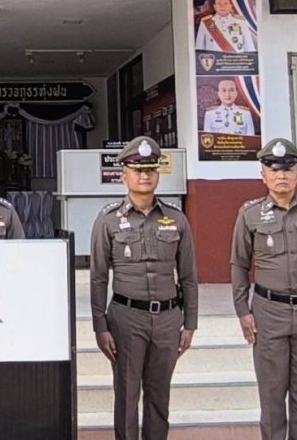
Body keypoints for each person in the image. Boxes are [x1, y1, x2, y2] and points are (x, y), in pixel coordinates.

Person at [229, 138, 297, 440]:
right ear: (263, 175)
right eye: (274, 169)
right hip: (269, 312)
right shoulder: (250, 214)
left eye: (288, 169)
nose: (281, 175)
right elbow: (239, 264)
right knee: (272, 398)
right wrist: (242, 310)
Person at [90, 136, 198, 440]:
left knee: (159, 395)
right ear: (123, 175)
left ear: (158, 174)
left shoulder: (176, 219)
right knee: (126, 395)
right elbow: (98, 277)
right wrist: (100, 326)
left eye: (150, 170)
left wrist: (190, 323)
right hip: (126, 317)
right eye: (137, 170)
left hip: (167, 319)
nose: (144, 176)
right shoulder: (108, 220)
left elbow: (188, 276)